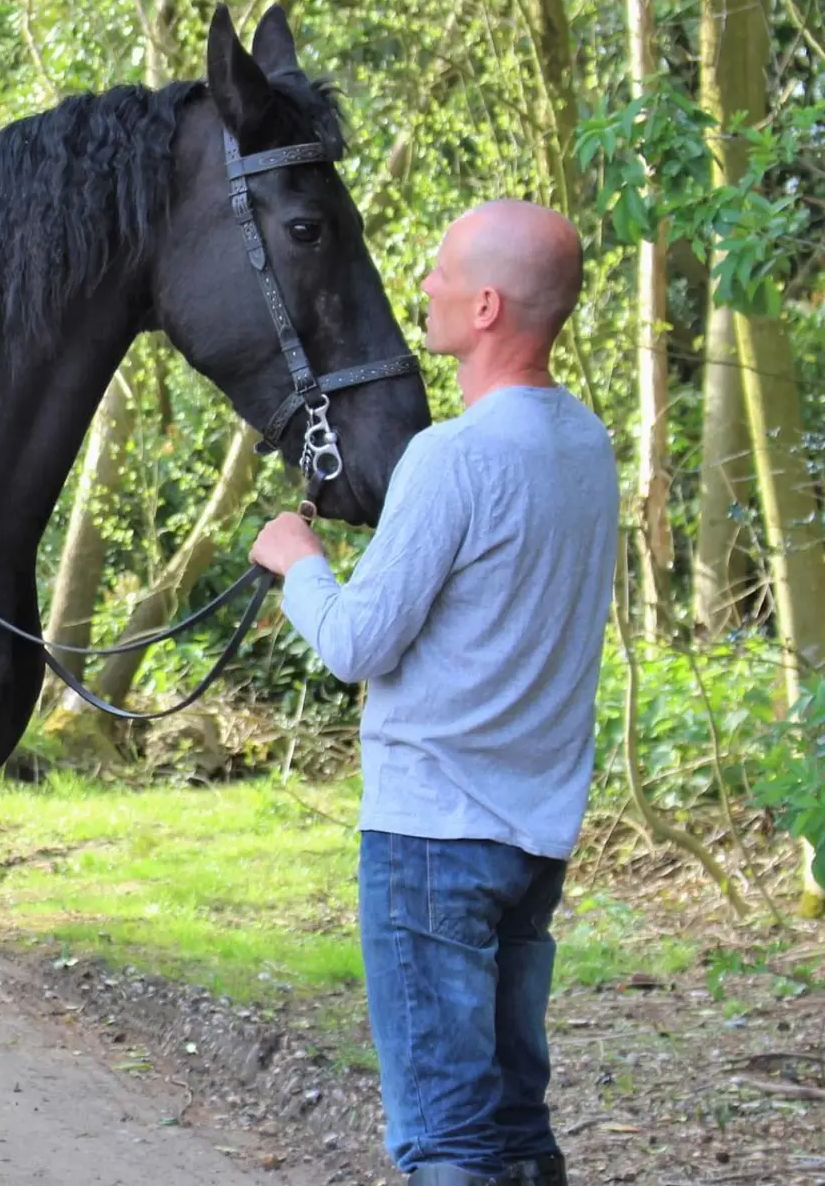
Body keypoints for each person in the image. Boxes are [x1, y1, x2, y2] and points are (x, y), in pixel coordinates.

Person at [249, 199, 618, 1186]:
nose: (424, 284)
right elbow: (481, 592)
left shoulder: (448, 459)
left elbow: (356, 642)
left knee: (446, 1139)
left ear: (487, 304)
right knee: (509, 1122)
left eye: (442, 269)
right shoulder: (584, 446)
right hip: (530, 835)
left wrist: (298, 564)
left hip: (430, 841)